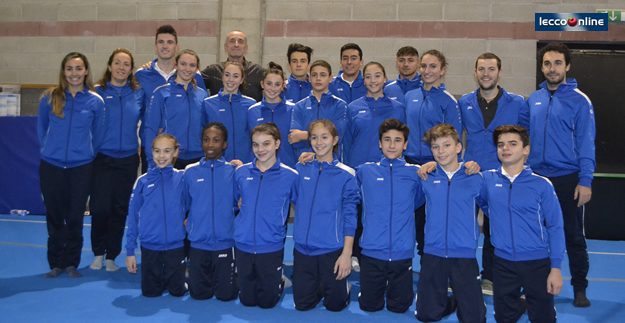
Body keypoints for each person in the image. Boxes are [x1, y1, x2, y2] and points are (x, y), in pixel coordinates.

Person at [527, 42, 595, 307]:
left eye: (557, 63)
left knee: (573, 235)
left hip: (568, 178)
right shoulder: (534, 98)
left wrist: (585, 180)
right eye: (547, 63)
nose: (551, 68)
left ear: (567, 66)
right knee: (536, 235)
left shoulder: (580, 100)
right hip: (537, 179)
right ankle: (536, 285)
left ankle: (580, 287)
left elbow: (586, 143)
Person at [477, 125, 565, 322]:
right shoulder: (486, 179)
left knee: (543, 317)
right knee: (504, 317)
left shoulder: (542, 184)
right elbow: (481, 200)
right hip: (502, 263)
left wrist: (556, 268)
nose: (505, 148)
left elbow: (555, 226)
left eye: (512, 144)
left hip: (536, 263)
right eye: (501, 145)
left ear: (526, 149)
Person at [458, 52, 529, 295]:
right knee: (464, 227)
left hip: (501, 178)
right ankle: (463, 274)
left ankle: (489, 276)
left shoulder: (518, 103)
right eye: (481, 69)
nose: (486, 74)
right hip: (470, 175)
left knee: (494, 229)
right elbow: (456, 137)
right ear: (475, 72)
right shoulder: (464, 102)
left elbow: (526, 140)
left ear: (499, 73)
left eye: (491, 69)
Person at [38, 52, 105, 278]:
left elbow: (98, 135)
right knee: (55, 216)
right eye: (69, 68)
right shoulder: (49, 98)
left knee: (75, 216)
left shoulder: (96, 101)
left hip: (81, 168)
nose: (74, 73)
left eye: (78, 68)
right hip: (51, 166)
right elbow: (42, 130)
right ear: (63, 72)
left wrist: (84, 155)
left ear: (86, 71)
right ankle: (55, 262)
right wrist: (50, 152)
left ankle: (70, 262)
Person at [415, 123, 486, 322]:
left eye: (446, 145)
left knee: (475, 319)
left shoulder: (476, 177)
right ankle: (453, 302)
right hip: (433, 253)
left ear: (458, 147)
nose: (441, 151)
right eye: (435, 147)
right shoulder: (425, 177)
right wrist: (431, 166)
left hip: (463, 253)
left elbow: (492, 207)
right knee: (426, 315)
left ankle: (463, 299)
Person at [356, 118, 423, 313]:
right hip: (371, 251)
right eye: (387, 140)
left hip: (402, 251)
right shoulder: (364, 171)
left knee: (400, 307)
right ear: (379, 143)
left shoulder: (416, 173)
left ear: (405, 144)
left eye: (397, 140)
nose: (392, 145)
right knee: (369, 306)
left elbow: (417, 201)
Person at [292, 119, 360, 312]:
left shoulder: (347, 175)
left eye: (324, 137)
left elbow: (350, 216)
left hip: (332, 249)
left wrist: (347, 254)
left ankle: (342, 288)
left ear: (335, 140)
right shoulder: (301, 169)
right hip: (303, 249)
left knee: (335, 306)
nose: (319, 142)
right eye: (314, 137)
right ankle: (319, 284)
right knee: (303, 305)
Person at [90, 48, 144, 272]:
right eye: (117, 63)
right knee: (100, 207)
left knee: (120, 209)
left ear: (132, 69)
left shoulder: (138, 93)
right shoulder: (97, 92)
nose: (122, 68)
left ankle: (112, 255)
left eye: (126, 64)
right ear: (110, 66)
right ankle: (98, 253)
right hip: (102, 158)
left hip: (129, 159)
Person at [404, 49, 461, 261]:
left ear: (442, 70)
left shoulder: (448, 101)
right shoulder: (410, 96)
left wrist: (439, 164)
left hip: (436, 167)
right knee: (412, 218)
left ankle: (431, 264)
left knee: (432, 219)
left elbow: (455, 140)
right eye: (424, 66)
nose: (427, 71)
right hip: (411, 165)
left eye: (433, 66)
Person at [234, 123, 299, 308]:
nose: (260, 149)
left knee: (267, 302)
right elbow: (233, 201)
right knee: (247, 301)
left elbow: (303, 205)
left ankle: (278, 281)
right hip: (243, 244)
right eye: (255, 144)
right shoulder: (240, 173)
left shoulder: (291, 176)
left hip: (271, 245)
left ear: (277, 144)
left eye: (266, 144)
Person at [135, 24, 206, 174]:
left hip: (195, 153)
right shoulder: (142, 75)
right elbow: (138, 111)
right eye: (161, 42)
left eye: (170, 42)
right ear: (155, 46)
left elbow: (201, 117)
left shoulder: (198, 83)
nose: (165, 46)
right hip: (161, 153)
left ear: (176, 47)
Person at [125, 134, 187, 297]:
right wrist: (130, 251)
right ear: (151, 152)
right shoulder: (142, 181)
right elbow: (132, 217)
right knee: (150, 293)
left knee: (178, 292)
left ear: (175, 153)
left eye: (167, 151)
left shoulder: (182, 178)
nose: (161, 156)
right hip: (150, 246)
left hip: (175, 246)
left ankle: (185, 274)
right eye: (157, 151)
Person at [183, 122, 238, 301]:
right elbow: (184, 203)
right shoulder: (190, 172)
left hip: (225, 242)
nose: (210, 145)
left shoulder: (234, 172)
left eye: (216, 140)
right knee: (199, 295)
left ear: (224, 144)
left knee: (226, 295)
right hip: (198, 243)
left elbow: (240, 202)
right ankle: (188, 272)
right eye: (206, 140)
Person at [145, 49, 209, 170]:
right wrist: (152, 161)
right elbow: (151, 128)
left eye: (192, 65)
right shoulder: (161, 93)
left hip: (197, 158)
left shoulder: (203, 95)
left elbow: (206, 127)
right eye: (183, 64)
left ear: (196, 69)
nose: (187, 69)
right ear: (176, 66)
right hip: (170, 158)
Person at [343, 62, 406, 168]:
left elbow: (402, 142)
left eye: (377, 76)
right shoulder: (353, 107)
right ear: (363, 81)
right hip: (357, 167)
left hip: (385, 169)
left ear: (385, 78)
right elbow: (347, 142)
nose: (373, 81)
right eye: (368, 77)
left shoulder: (398, 108)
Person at [290, 60, 348, 159]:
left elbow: (338, 137)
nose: (318, 78)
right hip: (305, 162)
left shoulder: (340, 105)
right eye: (314, 75)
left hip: (330, 164)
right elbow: (295, 140)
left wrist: (304, 135)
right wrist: (324, 137)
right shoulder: (299, 106)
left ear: (330, 78)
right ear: (309, 78)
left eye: (323, 75)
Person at [203, 61, 257, 163]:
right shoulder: (208, 103)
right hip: (218, 164)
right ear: (222, 77)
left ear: (242, 80)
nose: (231, 80)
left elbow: (255, 136)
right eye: (227, 75)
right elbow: (203, 136)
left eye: (236, 76)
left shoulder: (251, 104)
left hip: (245, 163)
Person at [247, 62, 297, 167]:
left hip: (288, 167)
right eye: (269, 83)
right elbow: (248, 143)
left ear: (283, 86)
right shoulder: (252, 111)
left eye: (277, 84)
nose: (273, 89)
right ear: (262, 84)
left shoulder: (294, 110)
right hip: (259, 170)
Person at [202, 30, 265, 101]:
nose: (236, 45)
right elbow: (192, 84)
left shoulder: (258, 72)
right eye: (232, 41)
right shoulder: (212, 71)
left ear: (246, 48)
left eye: (240, 41)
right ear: (225, 47)